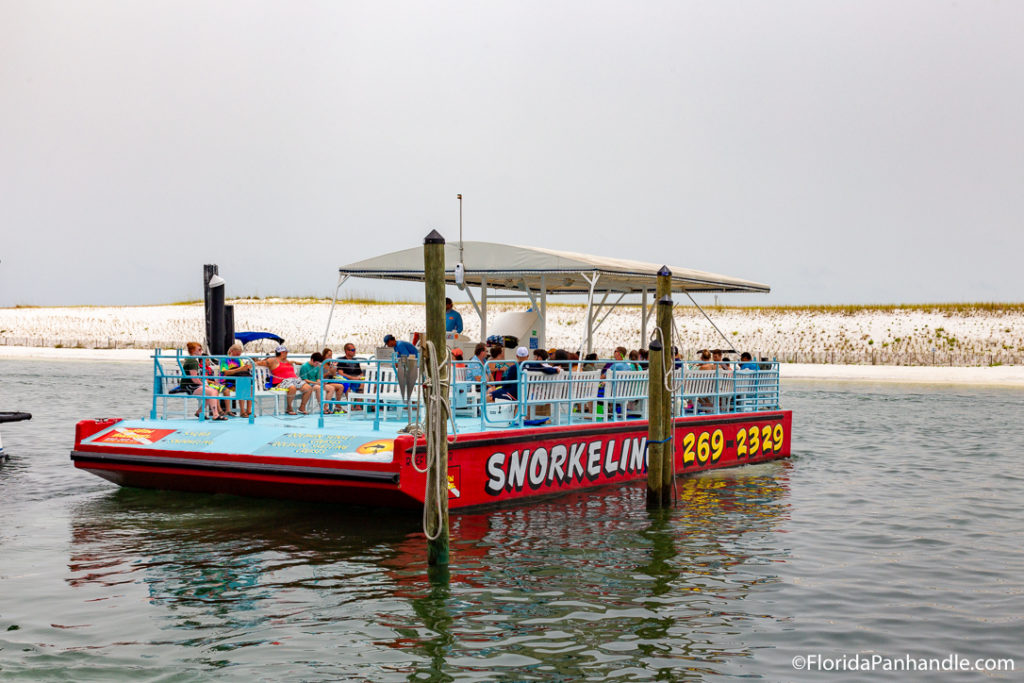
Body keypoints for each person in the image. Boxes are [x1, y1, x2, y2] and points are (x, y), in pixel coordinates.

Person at [256, 345, 314, 415]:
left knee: (309, 388)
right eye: (286, 352)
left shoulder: (287, 361)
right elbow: (260, 363)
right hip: (281, 382)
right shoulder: (273, 360)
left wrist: (298, 362)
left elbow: (295, 363)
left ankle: (302, 407)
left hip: (294, 380)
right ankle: (289, 407)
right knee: (292, 388)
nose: (287, 354)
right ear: (282, 353)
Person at [181, 341, 226, 419]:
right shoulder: (192, 361)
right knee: (213, 392)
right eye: (199, 349)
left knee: (211, 392)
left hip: (190, 384)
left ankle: (200, 412)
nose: (201, 351)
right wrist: (203, 384)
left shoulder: (192, 360)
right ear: (193, 351)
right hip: (189, 386)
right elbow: (194, 378)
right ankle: (215, 415)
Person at [218, 342, 253, 418]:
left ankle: (249, 410)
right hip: (226, 381)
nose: (238, 356)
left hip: (235, 381)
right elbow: (226, 373)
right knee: (241, 386)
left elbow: (242, 371)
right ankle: (242, 411)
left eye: (239, 354)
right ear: (231, 351)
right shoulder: (224, 360)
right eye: (236, 354)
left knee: (249, 387)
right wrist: (239, 369)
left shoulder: (239, 360)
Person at [384, 334, 419, 409]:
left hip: (414, 364)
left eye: (387, 344)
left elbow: (406, 357)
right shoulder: (397, 346)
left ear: (391, 341)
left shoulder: (400, 345)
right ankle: (411, 402)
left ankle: (412, 402)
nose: (387, 346)